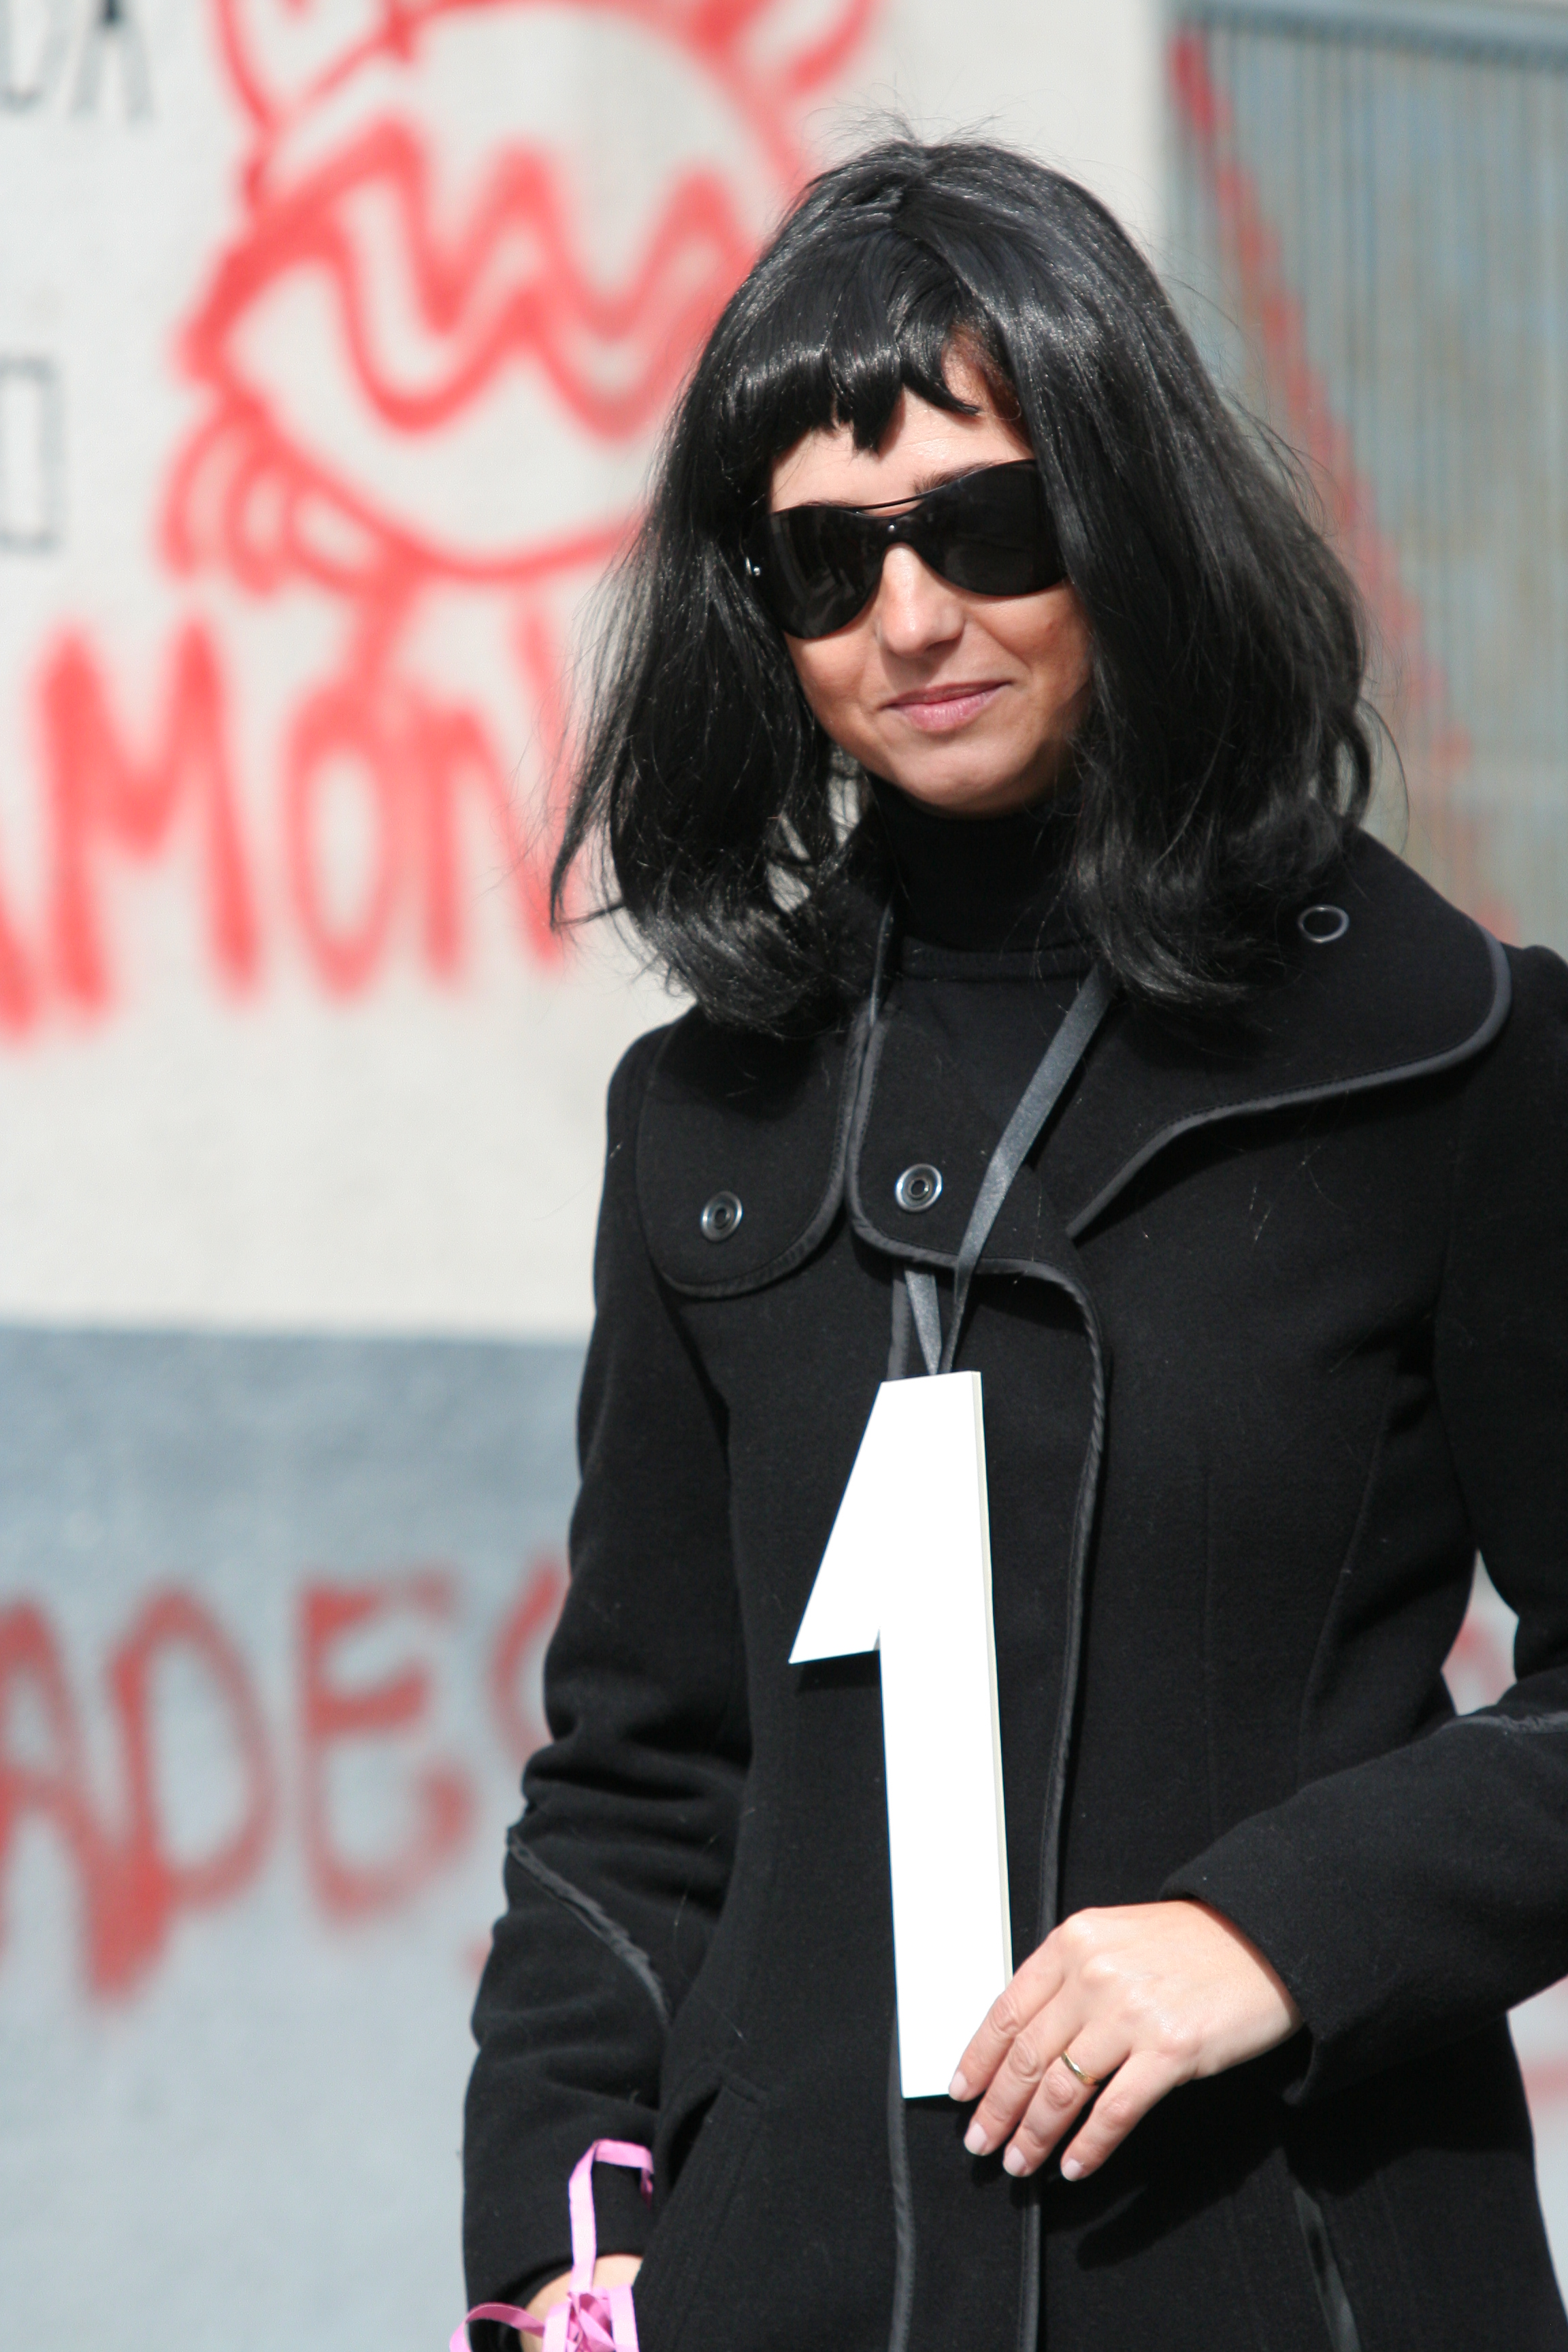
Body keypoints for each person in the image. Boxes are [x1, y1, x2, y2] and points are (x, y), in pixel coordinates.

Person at [461, 137, 1568, 2352]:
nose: (912, 621)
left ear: (1129, 515)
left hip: (1299, 2273)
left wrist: (1273, 1934)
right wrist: (564, 2255)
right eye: (826, 560)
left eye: (986, 527)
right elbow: (639, 1779)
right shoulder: (705, 1116)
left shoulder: (1454, 1053)